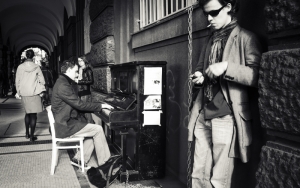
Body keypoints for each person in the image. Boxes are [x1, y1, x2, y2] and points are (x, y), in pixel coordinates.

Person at [187, 0, 262, 187]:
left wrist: (227, 67)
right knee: (198, 175)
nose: (209, 19)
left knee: (219, 180)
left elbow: (258, 76)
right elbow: (201, 70)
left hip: (227, 116)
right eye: (206, 14)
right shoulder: (210, 39)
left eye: (214, 13)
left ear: (228, 7)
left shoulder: (246, 38)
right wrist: (200, 77)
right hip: (203, 112)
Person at [51, 60, 114, 168]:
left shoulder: (62, 82)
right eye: (76, 71)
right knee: (97, 129)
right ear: (69, 70)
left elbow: (75, 104)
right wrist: (100, 106)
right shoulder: (63, 85)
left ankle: (79, 159)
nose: (77, 74)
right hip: (64, 125)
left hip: (64, 121)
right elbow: (79, 104)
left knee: (92, 125)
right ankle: (105, 164)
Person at [15, 49, 45, 142]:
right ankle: (32, 136)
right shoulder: (36, 67)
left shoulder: (20, 67)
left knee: (27, 113)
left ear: (25, 56)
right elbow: (42, 80)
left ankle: (27, 133)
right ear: (33, 56)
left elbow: (17, 81)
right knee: (33, 115)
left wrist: (18, 91)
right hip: (34, 92)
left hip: (24, 93)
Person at [76, 57, 94, 123]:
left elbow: (91, 81)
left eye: (81, 61)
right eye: (78, 61)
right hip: (80, 91)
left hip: (85, 92)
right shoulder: (80, 69)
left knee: (86, 110)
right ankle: (88, 124)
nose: (79, 62)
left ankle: (91, 124)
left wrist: (79, 81)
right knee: (82, 110)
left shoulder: (88, 70)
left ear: (85, 61)